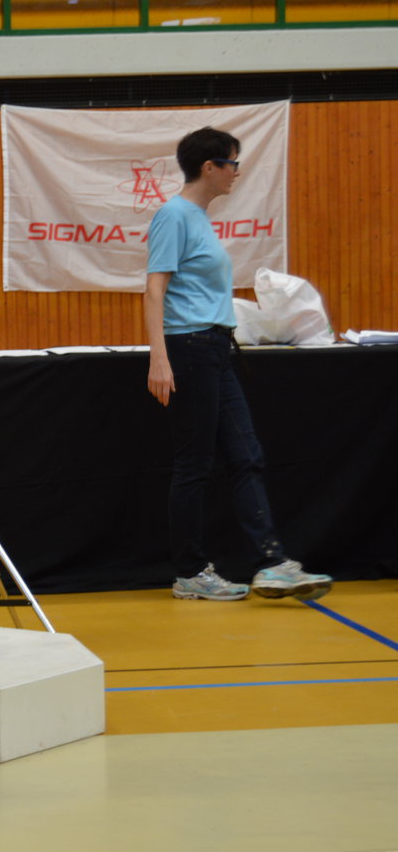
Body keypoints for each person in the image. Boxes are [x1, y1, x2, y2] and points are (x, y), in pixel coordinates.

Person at [145, 127, 333, 603]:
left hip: (217, 349)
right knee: (194, 464)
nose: (237, 172)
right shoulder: (174, 215)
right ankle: (189, 573)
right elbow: (154, 288)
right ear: (208, 167)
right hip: (188, 348)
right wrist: (159, 358)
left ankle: (272, 563)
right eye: (231, 163)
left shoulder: (200, 217)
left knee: (246, 455)